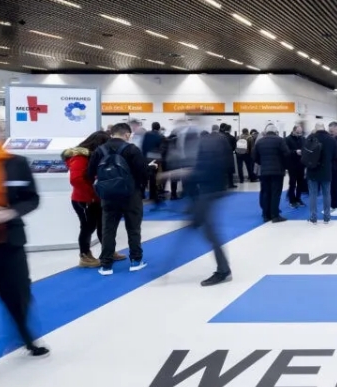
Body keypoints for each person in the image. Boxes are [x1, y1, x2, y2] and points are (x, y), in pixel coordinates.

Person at [0, 113, 50, 377]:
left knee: (17, 291)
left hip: (8, 237)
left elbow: (31, 198)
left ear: (0, 132)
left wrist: (9, 213)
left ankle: (26, 336)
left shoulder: (17, 163)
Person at [165, 125, 234, 286]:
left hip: (207, 195)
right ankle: (167, 266)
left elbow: (201, 172)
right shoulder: (211, 147)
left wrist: (175, 173)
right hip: (204, 195)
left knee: (209, 233)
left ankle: (223, 270)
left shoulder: (205, 149)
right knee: (201, 231)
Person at [85, 122, 149, 275]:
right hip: (131, 195)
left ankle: (106, 265)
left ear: (112, 133)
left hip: (108, 196)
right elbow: (144, 173)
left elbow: (89, 174)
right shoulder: (132, 149)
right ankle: (136, 261)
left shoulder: (99, 150)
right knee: (133, 228)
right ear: (127, 134)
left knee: (108, 229)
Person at [63, 131, 128, 267]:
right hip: (84, 200)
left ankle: (108, 250)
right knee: (87, 227)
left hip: (96, 198)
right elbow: (76, 180)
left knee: (102, 225)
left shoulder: (94, 156)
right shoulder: (80, 157)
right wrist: (92, 193)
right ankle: (84, 255)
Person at [253, 124, 290, 223]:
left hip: (264, 171)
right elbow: (287, 153)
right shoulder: (280, 140)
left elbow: (254, 156)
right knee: (275, 193)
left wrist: (262, 163)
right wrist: (283, 164)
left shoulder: (260, 141)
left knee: (265, 192)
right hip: (277, 171)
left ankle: (266, 215)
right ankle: (275, 215)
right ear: (275, 131)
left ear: (266, 131)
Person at [306, 123, 337, 224]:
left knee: (313, 195)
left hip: (312, 170)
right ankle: (327, 218)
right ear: (324, 128)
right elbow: (335, 155)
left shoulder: (310, 138)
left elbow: (305, 154)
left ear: (315, 129)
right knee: (326, 194)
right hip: (326, 170)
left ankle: (313, 218)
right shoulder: (332, 139)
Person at [284, 123, 307, 208]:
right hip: (292, 165)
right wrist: (295, 152)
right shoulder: (287, 139)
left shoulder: (303, 139)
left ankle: (298, 198)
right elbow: (286, 152)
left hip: (301, 164)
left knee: (300, 183)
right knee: (292, 183)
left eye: (300, 133)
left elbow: (306, 149)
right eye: (297, 132)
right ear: (293, 131)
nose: (299, 134)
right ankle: (292, 200)